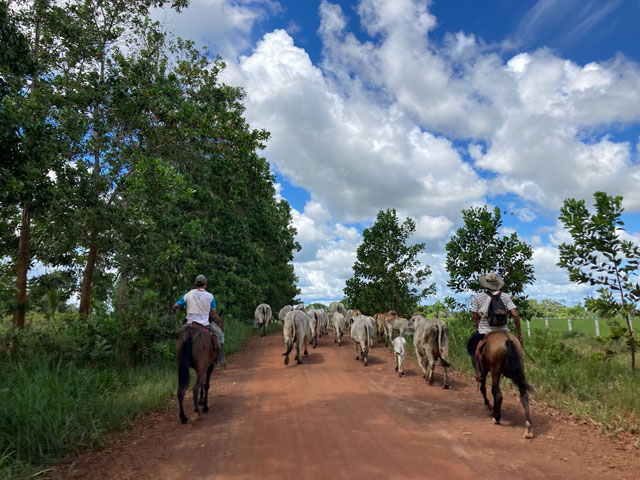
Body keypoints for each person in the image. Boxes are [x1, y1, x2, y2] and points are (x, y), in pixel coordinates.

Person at [467, 272, 522, 381]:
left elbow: (475, 317)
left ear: (485, 284)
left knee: (470, 346)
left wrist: (478, 327)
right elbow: (515, 315)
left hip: (485, 331)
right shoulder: (505, 297)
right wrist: (519, 334)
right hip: (504, 331)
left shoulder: (479, 297)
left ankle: (479, 372)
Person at [173, 274, 226, 366]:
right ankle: (219, 360)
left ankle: (178, 359)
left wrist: (174, 310)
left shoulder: (189, 294)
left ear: (195, 284)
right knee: (221, 336)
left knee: (178, 335)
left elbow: (176, 305)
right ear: (205, 284)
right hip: (204, 324)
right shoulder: (210, 296)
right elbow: (213, 313)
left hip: (189, 324)